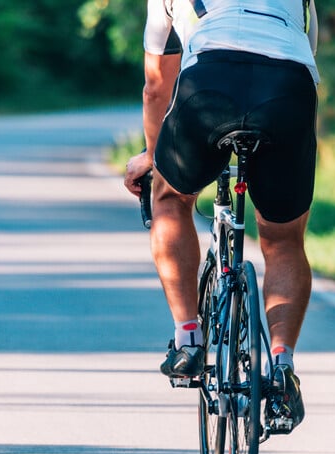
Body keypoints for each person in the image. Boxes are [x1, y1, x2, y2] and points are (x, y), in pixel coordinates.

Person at [123, 0, 318, 429]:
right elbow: (305, 56)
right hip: (287, 89)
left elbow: (157, 86)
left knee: (171, 199)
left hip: (209, 83)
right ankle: (283, 370)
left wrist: (155, 158)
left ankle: (189, 340)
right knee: (283, 239)